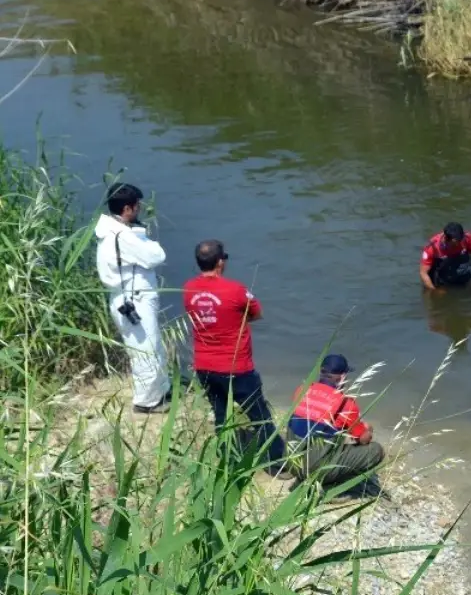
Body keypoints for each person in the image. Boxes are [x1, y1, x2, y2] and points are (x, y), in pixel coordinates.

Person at [182, 239, 285, 469]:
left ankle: (227, 457)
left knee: (221, 414)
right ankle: (276, 464)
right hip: (236, 368)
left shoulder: (188, 289)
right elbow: (257, 314)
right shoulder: (236, 290)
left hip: (204, 366)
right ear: (220, 262)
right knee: (260, 417)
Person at [94, 182, 172, 414]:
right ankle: (147, 402)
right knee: (144, 350)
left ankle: (161, 388)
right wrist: (142, 235)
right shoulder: (123, 235)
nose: (139, 209)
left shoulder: (111, 231)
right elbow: (155, 256)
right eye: (137, 206)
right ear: (127, 209)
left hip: (127, 297)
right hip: (134, 300)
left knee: (152, 344)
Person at [287, 353, 385, 496]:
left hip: (291, 463)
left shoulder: (302, 390)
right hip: (314, 470)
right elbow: (364, 439)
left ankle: (303, 477)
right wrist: (367, 429)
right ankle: (328, 488)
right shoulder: (346, 404)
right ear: (342, 377)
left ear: (321, 371)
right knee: (376, 451)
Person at [420, 222, 471, 290]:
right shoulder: (432, 247)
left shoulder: (466, 238)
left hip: (461, 272)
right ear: (446, 239)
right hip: (441, 277)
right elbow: (423, 273)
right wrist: (434, 290)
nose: (459, 244)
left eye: (460, 240)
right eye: (455, 243)